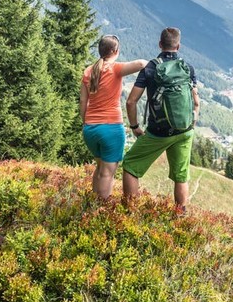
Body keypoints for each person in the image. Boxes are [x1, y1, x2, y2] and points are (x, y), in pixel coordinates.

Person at [122, 27, 200, 211]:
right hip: (185, 130)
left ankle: (129, 212)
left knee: (131, 165)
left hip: (158, 132)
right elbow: (196, 102)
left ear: (160, 44)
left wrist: (135, 126)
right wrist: (192, 123)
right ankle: (181, 217)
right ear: (178, 46)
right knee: (181, 175)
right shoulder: (187, 68)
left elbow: (131, 101)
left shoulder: (150, 68)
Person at [80, 34, 147, 199]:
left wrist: (85, 123)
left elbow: (83, 101)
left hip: (90, 129)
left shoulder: (88, 71)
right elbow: (141, 64)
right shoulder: (115, 68)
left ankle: (93, 203)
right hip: (111, 129)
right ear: (115, 50)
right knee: (107, 174)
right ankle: (101, 211)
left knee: (100, 168)